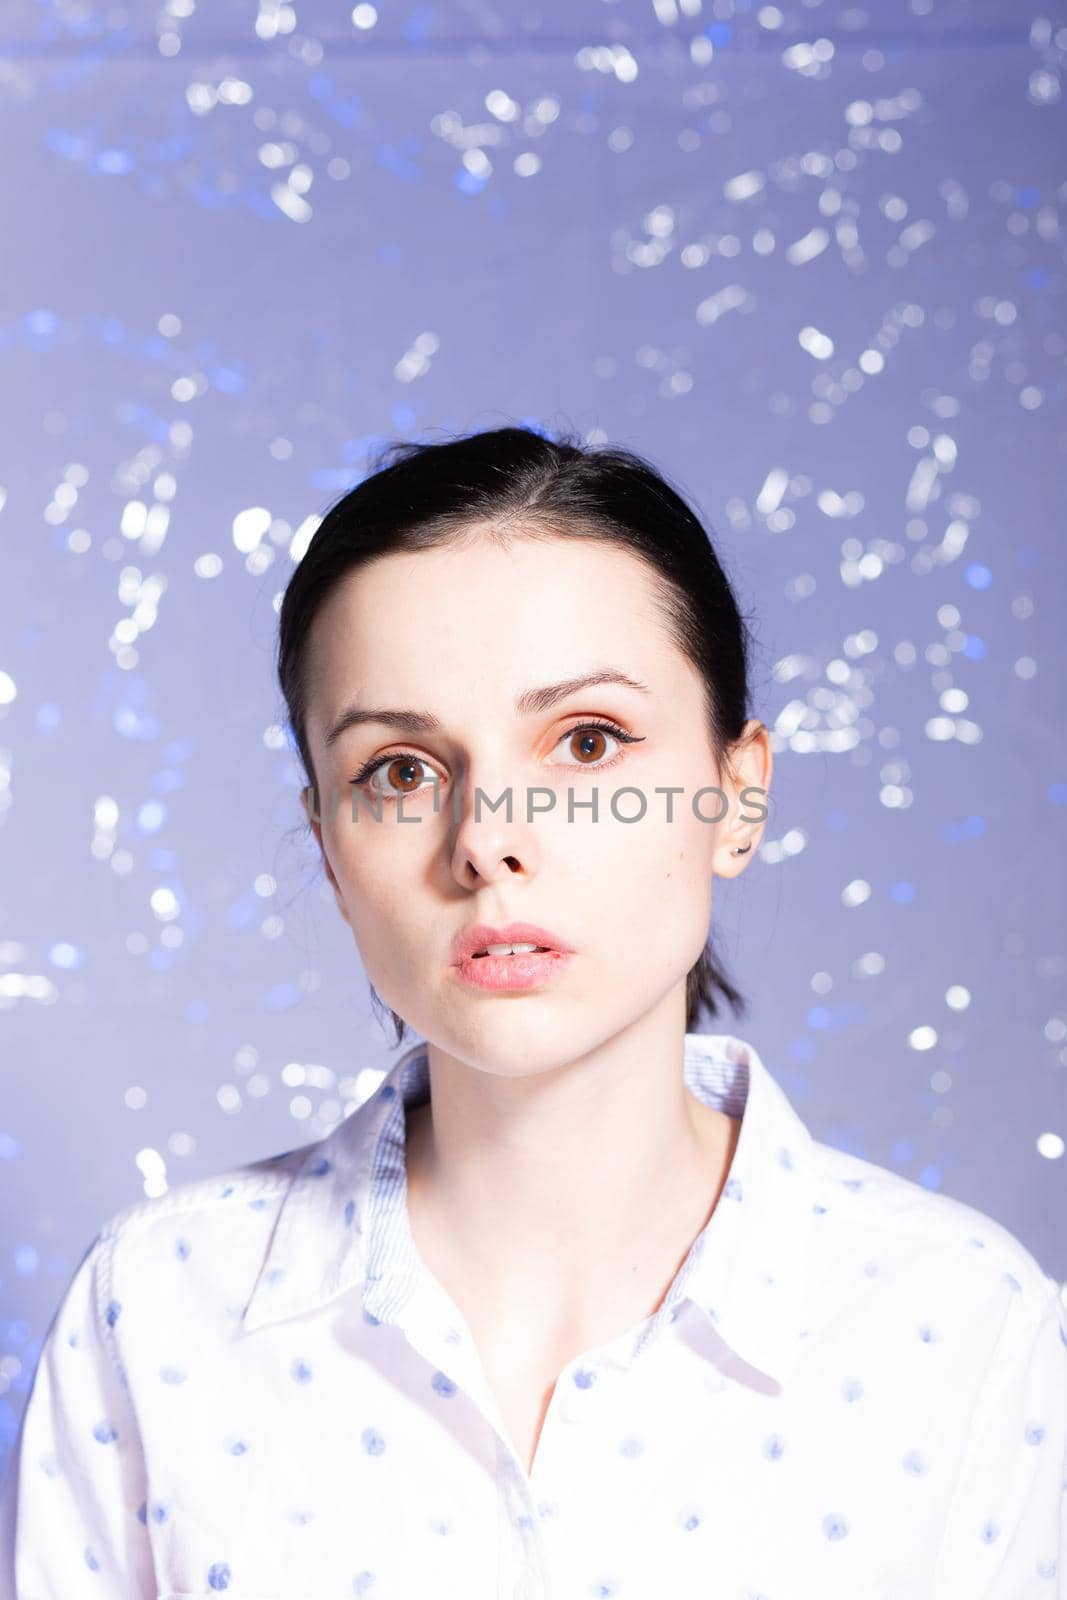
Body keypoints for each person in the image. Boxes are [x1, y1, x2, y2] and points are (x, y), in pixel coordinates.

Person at [1, 424, 1063, 1599]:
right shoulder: (154, 1311)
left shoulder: (970, 1330)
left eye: (587, 742)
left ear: (736, 794)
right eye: (400, 770)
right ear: (327, 845)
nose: (486, 839)